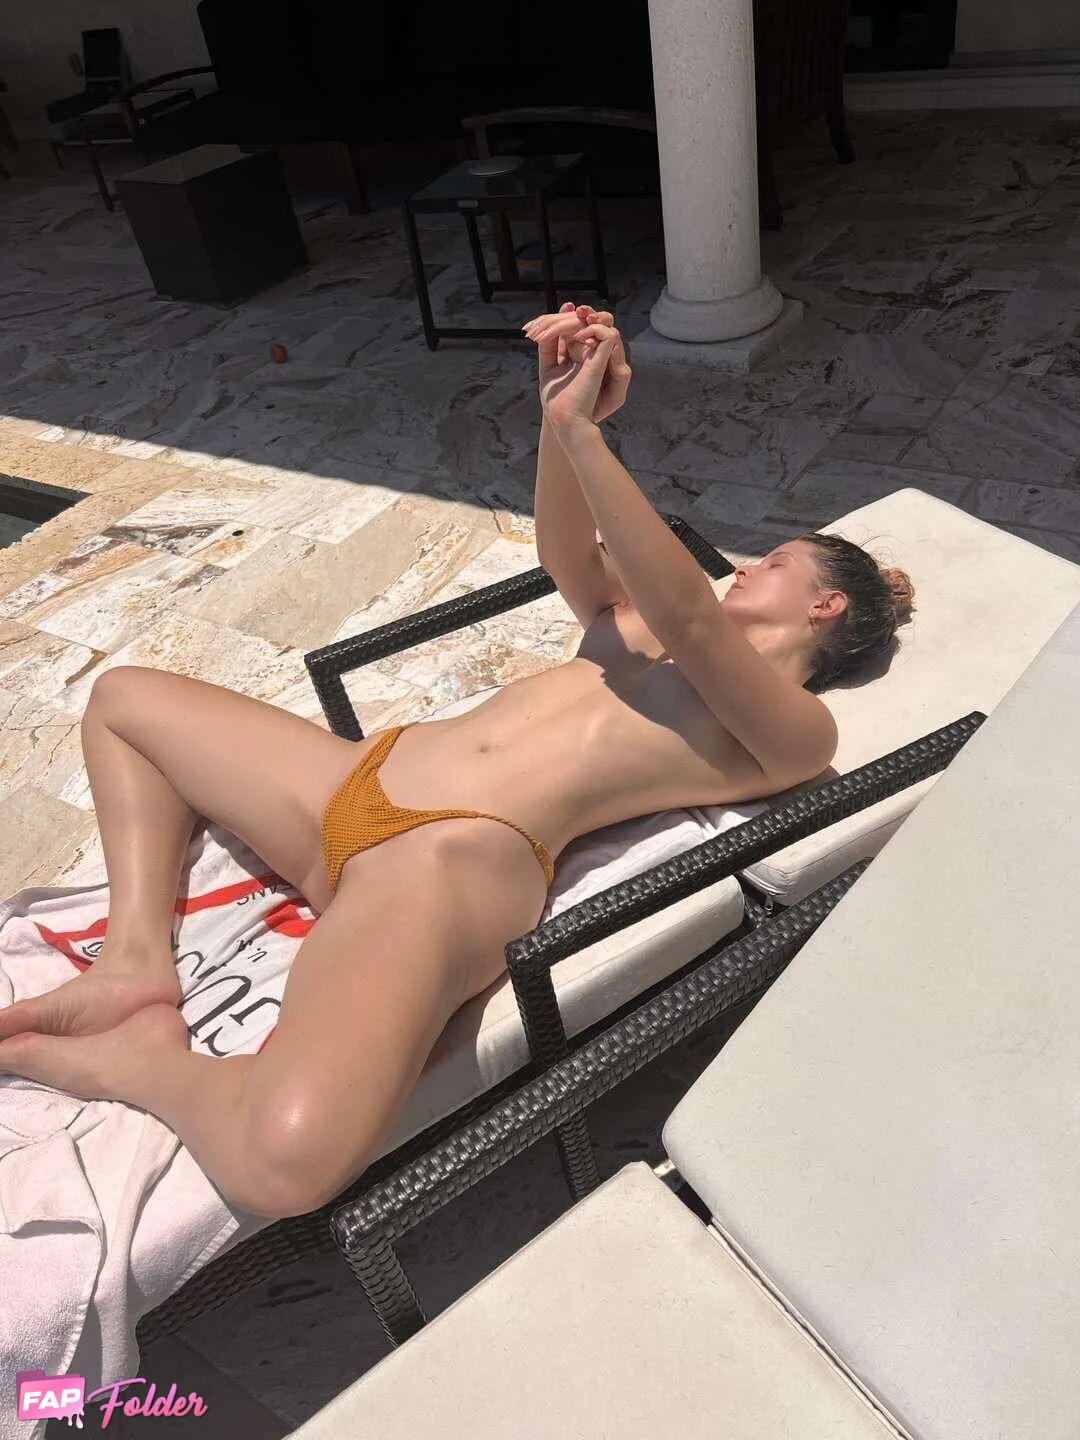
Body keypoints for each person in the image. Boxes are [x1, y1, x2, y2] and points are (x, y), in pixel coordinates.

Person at [0, 304, 914, 1219]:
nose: (747, 565)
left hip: (449, 861)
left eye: (776, 562)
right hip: (345, 781)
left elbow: (695, 620)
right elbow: (567, 554)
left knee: (284, 1167)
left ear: (826, 606)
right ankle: (136, 960)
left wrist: (585, 434)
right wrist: (556, 412)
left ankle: (147, 1065)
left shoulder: (793, 729)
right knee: (124, 700)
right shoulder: (641, 622)